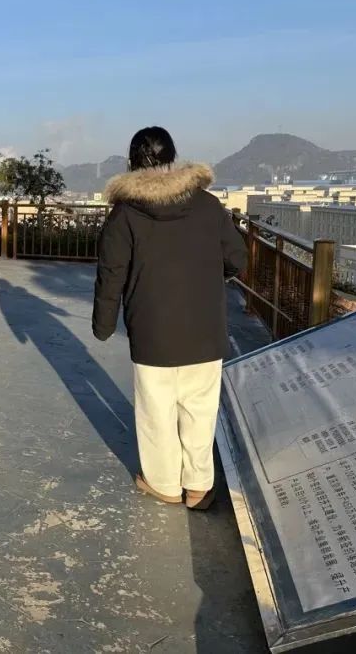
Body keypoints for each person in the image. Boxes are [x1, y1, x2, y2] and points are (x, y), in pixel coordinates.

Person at [92, 126, 247, 511]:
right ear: (173, 159)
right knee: (200, 410)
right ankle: (199, 487)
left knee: (156, 411)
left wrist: (103, 324)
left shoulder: (125, 214)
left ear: (131, 163)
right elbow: (237, 258)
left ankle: (163, 483)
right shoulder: (208, 205)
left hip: (152, 330)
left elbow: (111, 273)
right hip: (205, 327)